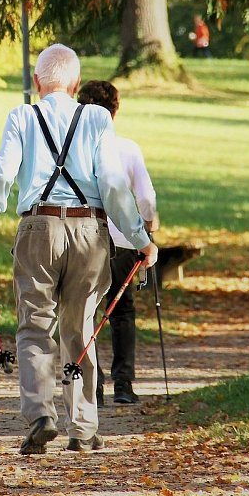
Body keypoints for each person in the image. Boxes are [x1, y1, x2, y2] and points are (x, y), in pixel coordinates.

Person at [0, 44, 158, 455]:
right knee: (80, 328)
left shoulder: (22, 116)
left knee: (34, 325)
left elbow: (2, 176)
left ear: (37, 82)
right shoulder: (97, 118)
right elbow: (114, 187)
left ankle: (41, 415)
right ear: (76, 84)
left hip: (37, 227)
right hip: (89, 230)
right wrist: (140, 239)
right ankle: (83, 428)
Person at [76, 80, 158, 406]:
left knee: (87, 310)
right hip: (124, 240)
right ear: (116, 109)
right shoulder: (127, 148)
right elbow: (146, 197)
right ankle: (123, 384)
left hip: (86, 237)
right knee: (122, 311)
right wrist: (149, 224)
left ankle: (92, 386)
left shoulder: (76, 150)